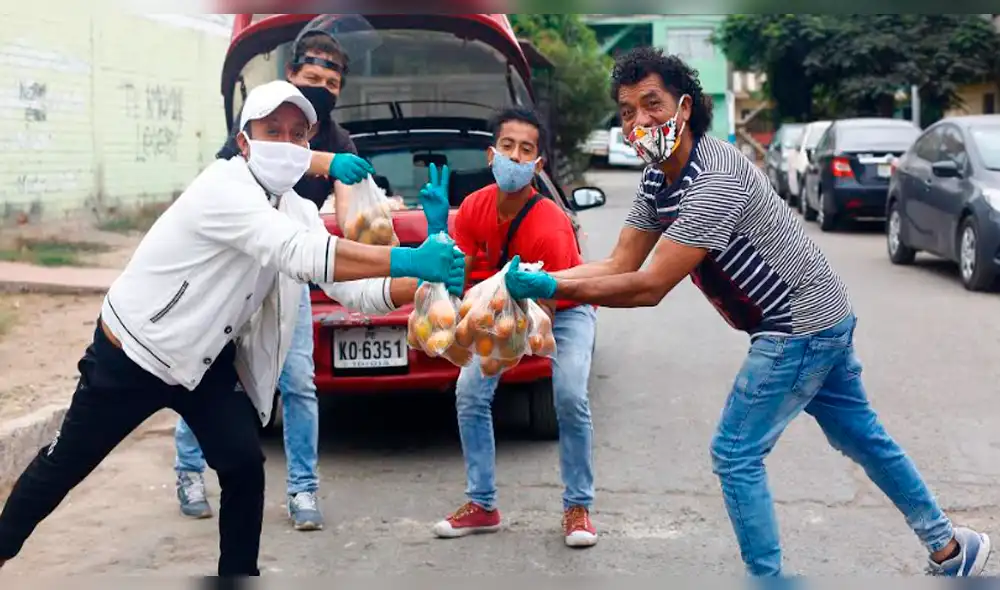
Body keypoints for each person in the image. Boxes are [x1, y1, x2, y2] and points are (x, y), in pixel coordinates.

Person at [501, 47, 992, 577]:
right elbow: (621, 261)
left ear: (684, 107)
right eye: (626, 111)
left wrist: (553, 284)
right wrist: (541, 280)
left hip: (797, 323)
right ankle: (948, 545)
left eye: (652, 104)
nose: (640, 121)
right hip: (819, 315)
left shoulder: (713, 178)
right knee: (859, 436)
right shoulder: (657, 179)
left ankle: (769, 579)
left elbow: (648, 286)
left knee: (734, 453)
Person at [0, 80, 464, 577]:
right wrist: (410, 256)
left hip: (205, 360)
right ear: (244, 141)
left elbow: (353, 291)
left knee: (243, 466)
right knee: (64, 465)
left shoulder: (299, 209)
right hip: (136, 351)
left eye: (296, 134)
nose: (286, 143)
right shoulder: (223, 187)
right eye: (272, 131)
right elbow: (298, 253)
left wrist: (420, 279)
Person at [172, 25, 375, 532]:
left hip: (288, 279)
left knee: (299, 383)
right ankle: (189, 471)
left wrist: (376, 229)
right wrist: (324, 163)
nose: (319, 92)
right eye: (311, 79)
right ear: (291, 75)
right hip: (232, 276)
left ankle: (303, 490)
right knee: (205, 370)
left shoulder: (339, 139)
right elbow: (239, 183)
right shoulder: (257, 130)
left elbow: (347, 220)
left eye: (330, 86)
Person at [426, 108, 599, 548]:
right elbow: (458, 273)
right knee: (469, 392)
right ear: (491, 154)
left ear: (538, 165)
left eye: (526, 150)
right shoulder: (472, 208)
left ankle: (578, 507)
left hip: (564, 307)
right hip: (504, 306)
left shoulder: (551, 225)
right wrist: (436, 242)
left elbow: (546, 312)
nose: (515, 156)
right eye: (508, 146)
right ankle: (482, 504)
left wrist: (499, 335)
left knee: (570, 396)